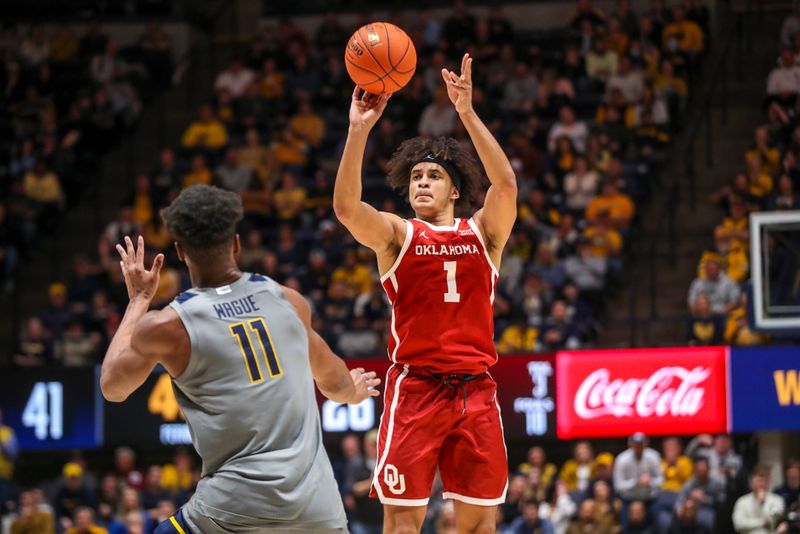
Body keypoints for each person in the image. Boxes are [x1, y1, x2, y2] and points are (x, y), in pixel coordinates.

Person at [99, 185, 380, 533]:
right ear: (236, 243)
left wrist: (139, 299)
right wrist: (352, 391)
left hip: (233, 509)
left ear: (180, 252)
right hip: (319, 511)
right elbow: (337, 383)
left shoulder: (167, 326)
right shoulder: (289, 301)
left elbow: (112, 386)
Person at [334, 53, 517, 533]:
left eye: (433, 176)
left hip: (476, 388)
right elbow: (348, 209)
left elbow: (506, 183)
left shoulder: (484, 233)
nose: (422, 182)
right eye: (415, 176)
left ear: (455, 190)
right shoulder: (397, 234)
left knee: (479, 526)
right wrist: (359, 130)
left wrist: (467, 113)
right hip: (416, 389)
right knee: (401, 524)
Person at [732, 467, 785, 534]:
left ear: (768, 482)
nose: (761, 484)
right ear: (751, 482)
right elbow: (738, 524)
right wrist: (762, 522)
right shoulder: (742, 501)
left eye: (764, 481)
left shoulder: (777, 500)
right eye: (758, 481)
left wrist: (762, 503)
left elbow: (773, 521)